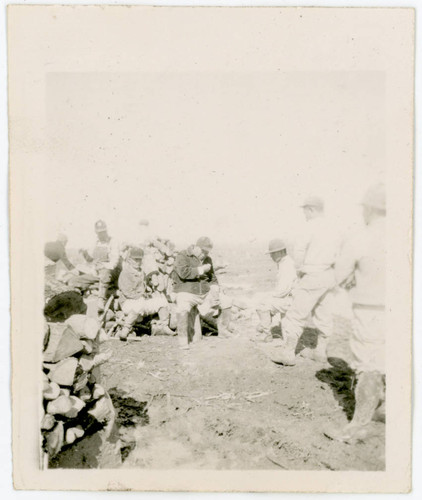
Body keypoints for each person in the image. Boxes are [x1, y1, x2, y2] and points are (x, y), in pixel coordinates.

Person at [324, 183, 386, 443]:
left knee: (367, 364)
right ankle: (384, 409)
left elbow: (341, 275)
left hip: (371, 309)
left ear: (369, 209)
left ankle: (359, 427)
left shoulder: (362, 237)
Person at [270, 195, 339, 366]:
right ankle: (321, 353)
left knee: (295, 315)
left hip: (312, 274)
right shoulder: (334, 227)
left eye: (305, 211)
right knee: (324, 314)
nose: (304, 214)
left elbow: (299, 251)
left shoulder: (309, 227)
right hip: (329, 276)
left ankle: (287, 354)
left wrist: (300, 271)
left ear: (311, 209)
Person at [172, 237, 233, 350]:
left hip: (204, 293)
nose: (205, 254)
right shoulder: (183, 256)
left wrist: (214, 287)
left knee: (226, 301)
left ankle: (223, 331)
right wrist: (201, 270)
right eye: (203, 251)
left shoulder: (208, 259)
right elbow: (183, 273)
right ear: (196, 247)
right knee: (182, 307)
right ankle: (183, 340)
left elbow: (212, 277)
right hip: (187, 292)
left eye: (207, 251)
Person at [117, 247, 174, 340]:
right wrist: (142, 296)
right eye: (135, 260)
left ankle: (164, 326)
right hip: (128, 302)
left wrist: (147, 292)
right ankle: (126, 328)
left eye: (139, 260)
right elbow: (127, 293)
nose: (138, 262)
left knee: (162, 301)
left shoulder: (141, 272)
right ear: (130, 260)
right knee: (139, 303)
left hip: (141, 301)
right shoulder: (125, 273)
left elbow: (144, 287)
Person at [254, 238, 297, 343]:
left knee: (262, 305)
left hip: (290, 300)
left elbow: (282, 290)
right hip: (291, 299)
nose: (271, 256)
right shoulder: (285, 262)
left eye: (273, 253)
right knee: (268, 303)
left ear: (280, 252)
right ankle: (265, 326)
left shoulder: (286, 265)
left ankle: (266, 334)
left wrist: (270, 296)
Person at [79, 220, 121, 309]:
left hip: (111, 272)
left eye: (103, 232)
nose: (101, 234)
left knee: (105, 273)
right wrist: (84, 253)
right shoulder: (96, 242)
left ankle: (101, 299)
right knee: (75, 279)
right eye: (99, 233)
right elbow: (91, 260)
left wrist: (103, 266)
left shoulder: (113, 241)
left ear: (106, 231)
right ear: (96, 232)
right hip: (98, 272)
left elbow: (114, 262)